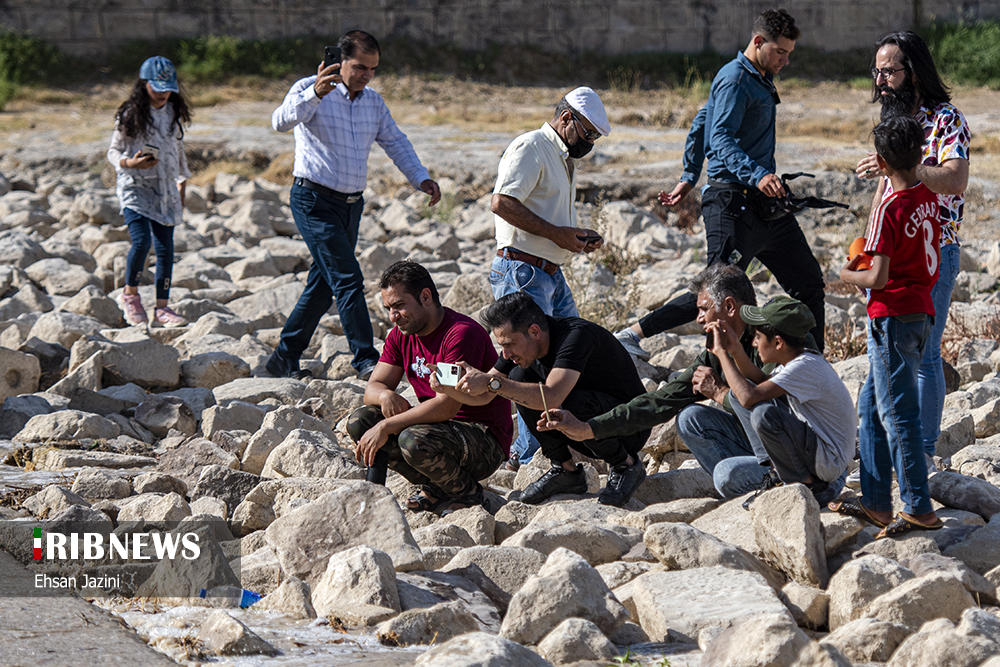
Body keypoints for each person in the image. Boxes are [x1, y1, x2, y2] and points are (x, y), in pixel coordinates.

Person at [613, 8, 826, 361]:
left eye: (789, 53)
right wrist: (755, 174)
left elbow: (702, 123)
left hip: (765, 206)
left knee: (809, 283)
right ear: (758, 41)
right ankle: (634, 335)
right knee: (717, 291)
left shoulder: (757, 77)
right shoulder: (734, 79)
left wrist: (688, 175)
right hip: (732, 203)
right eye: (780, 51)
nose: (785, 61)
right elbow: (720, 138)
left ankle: (811, 364)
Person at [267, 30, 441, 381]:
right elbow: (279, 122)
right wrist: (315, 94)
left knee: (323, 285)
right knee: (348, 278)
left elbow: (395, 141)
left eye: (373, 69)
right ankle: (366, 359)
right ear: (340, 60)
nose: (367, 75)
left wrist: (420, 178)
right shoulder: (309, 88)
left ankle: (283, 357)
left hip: (350, 205)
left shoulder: (372, 102)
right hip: (313, 201)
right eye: (360, 67)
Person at [542, 264, 778, 499]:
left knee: (726, 475)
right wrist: (591, 428)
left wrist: (720, 394)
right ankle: (752, 482)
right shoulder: (716, 348)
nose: (698, 319)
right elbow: (662, 401)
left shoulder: (772, 341)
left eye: (704, 309)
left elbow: (773, 410)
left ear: (729, 306)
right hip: (756, 441)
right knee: (690, 418)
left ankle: (771, 482)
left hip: (787, 447)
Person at [854, 31, 970, 468]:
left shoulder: (946, 119)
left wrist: (907, 168)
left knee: (924, 354)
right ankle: (881, 446)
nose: (880, 80)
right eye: (877, 71)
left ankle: (921, 451)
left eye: (889, 71)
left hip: (934, 250)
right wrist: (868, 248)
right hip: (889, 252)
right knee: (883, 351)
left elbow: (956, 178)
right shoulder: (894, 120)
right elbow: (883, 191)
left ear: (914, 71)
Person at [490, 87, 611, 471]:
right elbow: (502, 202)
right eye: (587, 133)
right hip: (523, 270)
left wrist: (572, 236)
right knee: (529, 363)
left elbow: (546, 217)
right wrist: (557, 234)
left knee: (569, 354)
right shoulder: (532, 147)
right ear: (565, 118)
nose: (589, 143)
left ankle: (553, 444)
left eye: (595, 137)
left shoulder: (560, 157)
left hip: (549, 272)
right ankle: (529, 456)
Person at [834, 116, 943, 538]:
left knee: (898, 412)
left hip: (893, 315)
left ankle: (918, 506)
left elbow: (877, 277)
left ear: (880, 163)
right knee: (871, 406)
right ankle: (877, 500)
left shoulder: (888, 208)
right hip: (921, 311)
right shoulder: (927, 196)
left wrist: (847, 273)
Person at [346, 261, 511, 515]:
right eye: (388, 308)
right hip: (439, 429)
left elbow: (447, 406)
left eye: (399, 305)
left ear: (425, 297)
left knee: (412, 439)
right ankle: (418, 489)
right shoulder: (401, 334)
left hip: (483, 439)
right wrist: (386, 396)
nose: (393, 316)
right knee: (362, 421)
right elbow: (373, 388)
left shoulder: (460, 334)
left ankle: (468, 494)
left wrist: (387, 426)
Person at [454, 291, 648, 507]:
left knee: (562, 400)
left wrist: (492, 383)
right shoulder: (521, 346)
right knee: (519, 376)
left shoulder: (576, 336)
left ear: (534, 331)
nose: (505, 354)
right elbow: (486, 394)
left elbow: (551, 396)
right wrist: (450, 387)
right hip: (587, 428)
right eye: (502, 346)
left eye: (509, 344)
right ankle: (565, 470)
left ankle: (625, 464)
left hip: (629, 426)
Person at [705, 295, 856, 504]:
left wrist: (722, 354)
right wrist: (735, 349)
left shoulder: (805, 366)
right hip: (822, 453)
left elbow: (749, 397)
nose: (754, 343)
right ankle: (776, 472)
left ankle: (805, 485)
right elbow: (759, 381)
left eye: (758, 337)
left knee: (763, 414)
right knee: (737, 395)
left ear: (778, 342)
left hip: (830, 461)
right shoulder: (798, 360)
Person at [108, 56, 191, 328]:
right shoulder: (130, 114)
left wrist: (182, 180)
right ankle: (130, 296)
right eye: (157, 88)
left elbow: (177, 148)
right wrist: (130, 163)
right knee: (142, 241)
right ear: (144, 85)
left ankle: (162, 308)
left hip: (165, 188)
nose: (163, 94)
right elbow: (113, 151)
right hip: (135, 188)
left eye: (167, 89)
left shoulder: (172, 113)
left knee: (166, 249)